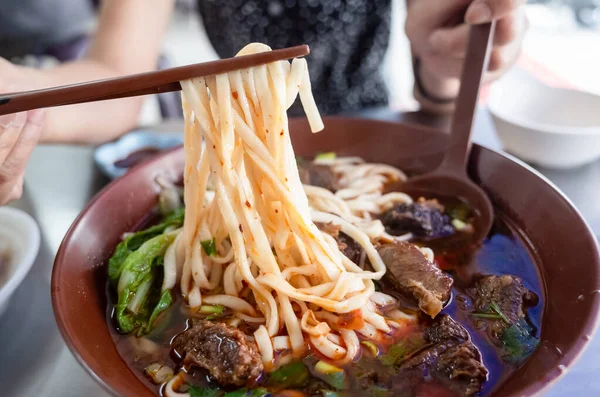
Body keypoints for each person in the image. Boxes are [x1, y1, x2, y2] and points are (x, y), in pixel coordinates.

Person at [0, 0, 527, 204]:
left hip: (374, 130)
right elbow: (113, 84)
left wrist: (444, 62)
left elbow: (435, 88)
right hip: (239, 148)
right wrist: (13, 94)